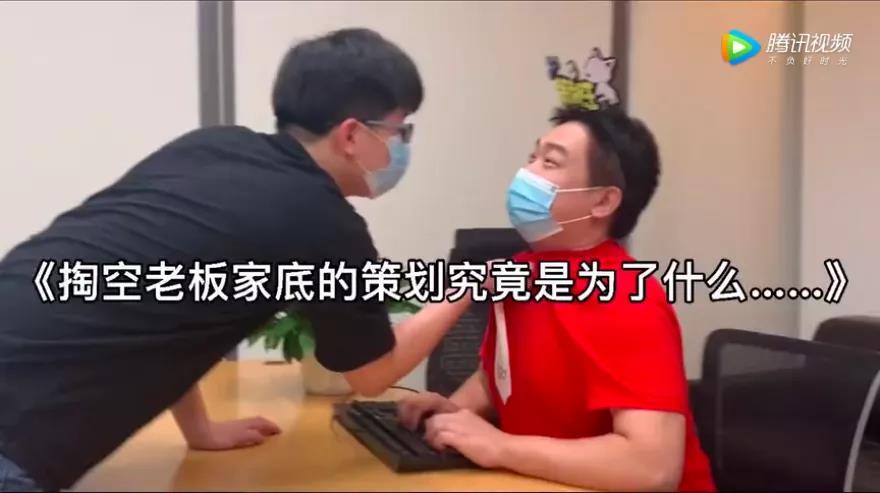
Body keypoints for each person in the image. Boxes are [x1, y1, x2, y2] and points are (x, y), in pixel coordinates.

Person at [0, 28, 477, 492]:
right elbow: (372, 373)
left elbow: (171, 304)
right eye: (400, 130)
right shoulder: (323, 220)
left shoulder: (212, 146)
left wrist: (199, 431)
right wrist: (470, 283)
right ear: (352, 135)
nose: (403, 146)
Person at [397, 106, 717, 492]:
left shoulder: (627, 298)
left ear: (603, 201)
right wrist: (453, 413)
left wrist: (500, 447)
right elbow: (498, 376)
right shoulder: (522, 270)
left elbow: (653, 467)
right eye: (532, 157)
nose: (527, 173)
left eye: (550, 162)